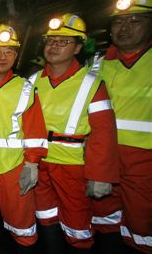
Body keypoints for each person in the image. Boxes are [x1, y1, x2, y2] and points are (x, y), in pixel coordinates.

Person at [33, 13, 119, 253]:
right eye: (51, 40)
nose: (54, 46)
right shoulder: (32, 81)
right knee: (45, 218)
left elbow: (104, 133)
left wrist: (100, 175)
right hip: (38, 164)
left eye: (64, 42)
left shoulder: (92, 83)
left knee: (77, 225)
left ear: (79, 47)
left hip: (72, 166)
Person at [0, 24, 48, 254]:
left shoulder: (25, 88)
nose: (2, 56)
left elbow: (35, 129)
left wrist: (32, 163)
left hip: (14, 168)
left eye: (9, 51)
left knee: (23, 228)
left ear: (16, 56)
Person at [92, 0, 152, 253]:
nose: (125, 27)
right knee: (103, 221)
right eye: (119, 21)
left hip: (145, 160)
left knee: (142, 226)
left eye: (135, 20)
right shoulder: (97, 64)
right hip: (102, 158)